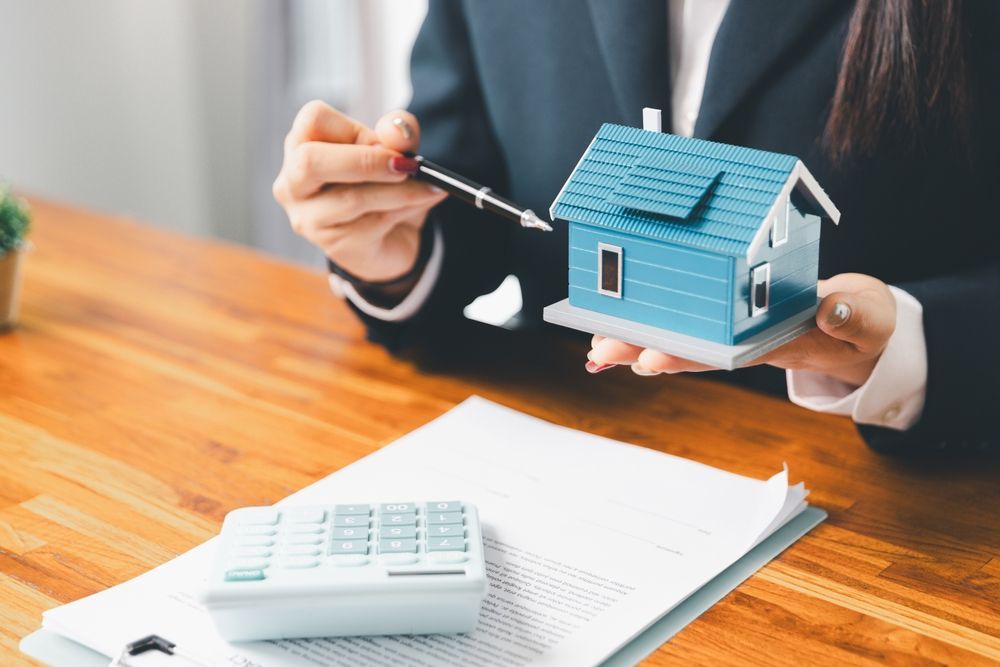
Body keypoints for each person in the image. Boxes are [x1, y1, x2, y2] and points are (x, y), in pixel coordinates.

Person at [271, 0, 999, 454]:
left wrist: (903, 347)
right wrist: (397, 256)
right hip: (575, 448)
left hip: (890, 510)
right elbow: (469, 185)